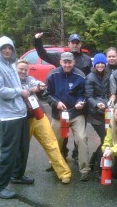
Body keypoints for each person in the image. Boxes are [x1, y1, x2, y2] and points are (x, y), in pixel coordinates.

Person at [0, 36, 34, 199]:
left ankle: (17, 175)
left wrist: (29, 88)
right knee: (8, 152)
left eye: (10, 48)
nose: (7, 50)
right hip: (8, 117)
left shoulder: (11, 65)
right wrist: (20, 92)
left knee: (23, 148)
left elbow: (19, 84)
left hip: (20, 113)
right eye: (3, 48)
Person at [34, 32, 92, 162]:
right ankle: (61, 156)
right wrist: (37, 41)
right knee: (61, 135)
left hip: (78, 105)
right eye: (73, 42)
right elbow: (43, 54)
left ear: (80, 44)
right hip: (62, 106)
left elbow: (89, 82)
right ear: (69, 44)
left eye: (77, 42)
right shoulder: (59, 57)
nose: (75, 45)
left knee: (80, 136)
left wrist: (84, 101)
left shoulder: (86, 59)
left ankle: (77, 156)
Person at [16, 59, 72, 184]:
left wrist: (40, 85)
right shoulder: (12, 81)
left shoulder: (30, 79)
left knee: (51, 143)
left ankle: (64, 173)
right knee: (21, 148)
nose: (23, 71)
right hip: (23, 119)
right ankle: (16, 174)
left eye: (25, 69)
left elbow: (37, 83)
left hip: (39, 116)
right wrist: (32, 90)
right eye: (20, 69)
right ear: (15, 69)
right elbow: (18, 93)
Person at [45, 51, 91, 181]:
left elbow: (83, 94)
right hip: (59, 114)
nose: (67, 64)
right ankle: (54, 164)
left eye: (69, 62)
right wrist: (56, 103)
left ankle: (85, 169)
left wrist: (80, 102)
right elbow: (47, 94)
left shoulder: (80, 75)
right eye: (64, 62)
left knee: (82, 138)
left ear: (73, 62)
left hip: (76, 114)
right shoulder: (52, 75)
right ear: (60, 62)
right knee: (54, 141)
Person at [85, 53, 110, 174]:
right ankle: (99, 168)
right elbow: (89, 96)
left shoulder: (108, 75)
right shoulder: (90, 77)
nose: (100, 65)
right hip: (95, 114)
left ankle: (93, 161)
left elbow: (109, 93)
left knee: (105, 139)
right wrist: (96, 104)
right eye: (98, 63)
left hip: (106, 112)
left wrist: (109, 101)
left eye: (102, 63)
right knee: (105, 139)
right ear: (94, 65)